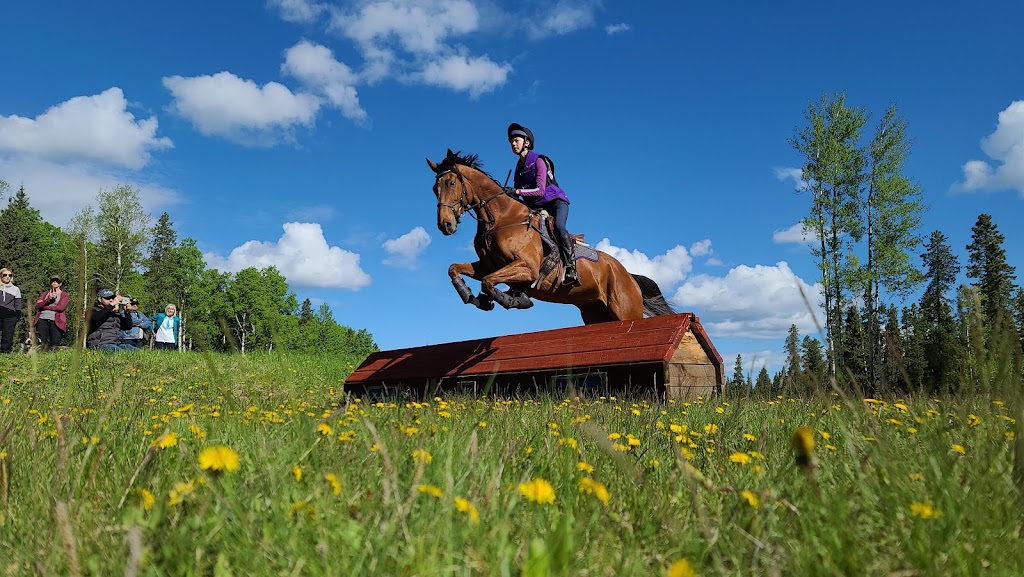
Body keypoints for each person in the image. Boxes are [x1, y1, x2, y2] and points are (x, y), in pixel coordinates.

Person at [507, 122, 579, 285]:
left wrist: (517, 192)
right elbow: (516, 194)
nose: (513, 144)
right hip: (537, 207)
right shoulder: (518, 167)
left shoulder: (539, 160)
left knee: (559, 228)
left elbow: (540, 190)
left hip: (556, 203)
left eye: (516, 140)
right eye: (511, 141)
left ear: (526, 142)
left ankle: (571, 268)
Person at [34, 275, 70, 350]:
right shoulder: (44, 294)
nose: (55, 282)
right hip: (42, 319)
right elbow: (38, 305)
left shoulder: (64, 295)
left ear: (60, 284)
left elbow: (61, 308)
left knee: (55, 343)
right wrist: (48, 299)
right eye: (53, 281)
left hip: (56, 321)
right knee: (41, 342)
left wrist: (45, 307)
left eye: (57, 281)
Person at [0, 268, 23, 353]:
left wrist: (17, 314)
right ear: (1, 276)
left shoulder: (15, 289)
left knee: (7, 336)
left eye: (9, 275)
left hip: (10, 316)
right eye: (5, 275)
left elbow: (18, 303)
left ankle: (5, 353)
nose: (7, 277)